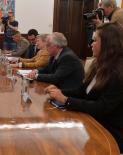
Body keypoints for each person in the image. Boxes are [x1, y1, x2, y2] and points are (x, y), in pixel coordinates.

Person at [44, 23, 123, 153]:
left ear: (108, 44)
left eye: (95, 40)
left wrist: (66, 100)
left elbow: (102, 107)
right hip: (91, 122)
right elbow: (82, 91)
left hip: (108, 132)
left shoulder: (118, 73)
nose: (91, 44)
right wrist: (59, 92)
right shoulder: (99, 65)